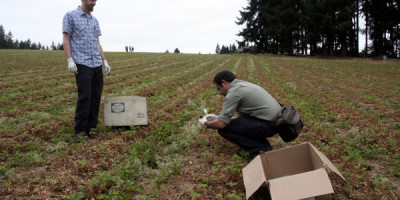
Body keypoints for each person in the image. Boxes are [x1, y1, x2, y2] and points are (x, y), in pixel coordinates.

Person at [62, 0, 111, 139]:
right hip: (82, 63)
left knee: (96, 97)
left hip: (96, 63)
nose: (94, 3)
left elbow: (97, 43)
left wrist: (104, 61)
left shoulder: (95, 21)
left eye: (95, 0)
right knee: (85, 97)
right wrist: (69, 59)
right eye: (91, 0)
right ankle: (80, 130)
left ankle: (91, 128)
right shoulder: (70, 16)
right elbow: (66, 39)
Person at [203, 71, 282, 154]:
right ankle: (264, 145)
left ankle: (262, 149)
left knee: (224, 129)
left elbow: (221, 124)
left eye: (219, 88)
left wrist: (205, 123)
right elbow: (240, 119)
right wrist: (217, 118)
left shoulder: (234, 92)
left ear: (224, 82)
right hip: (276, 123)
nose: (220, 92)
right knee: (240, 123)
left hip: (268, 126)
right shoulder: (243, 85)